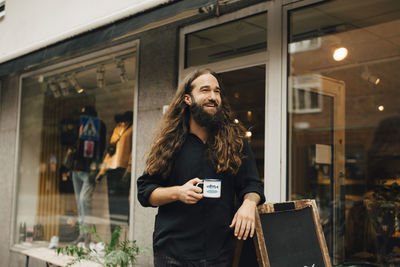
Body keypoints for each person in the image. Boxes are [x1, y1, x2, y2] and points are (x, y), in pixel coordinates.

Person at [137, 69, 265, 266]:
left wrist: (248, 204)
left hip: (220, 252)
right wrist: (178, 192)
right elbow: (145, 192)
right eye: (205, 90)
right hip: (172, 254)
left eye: (217, 91)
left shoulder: (236, 141)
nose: (213, 97)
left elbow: (253, 185)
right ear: (188, 99)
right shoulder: (169, 143)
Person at [61, 106, 106, 244]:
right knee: (80, 203)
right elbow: (69, 143)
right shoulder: (78, 126)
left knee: (84, 200)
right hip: (76, 169)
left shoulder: (99, 126)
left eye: (85, 116)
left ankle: (87, 235)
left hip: (88, 169)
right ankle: (82, 234)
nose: (83, 118)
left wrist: (96, 165)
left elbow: (100, 146)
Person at [96, 111, 133, 235]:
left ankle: (126, 232)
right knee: (112, 202)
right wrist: (102, 171)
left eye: (124, 120)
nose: (123, 122)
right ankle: (114, 234)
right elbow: (110, 151)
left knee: (122, 201)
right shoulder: (118, 128)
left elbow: (134, 151)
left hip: (123, 168)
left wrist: (129, 169)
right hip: (111, 169)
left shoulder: (133, 128)